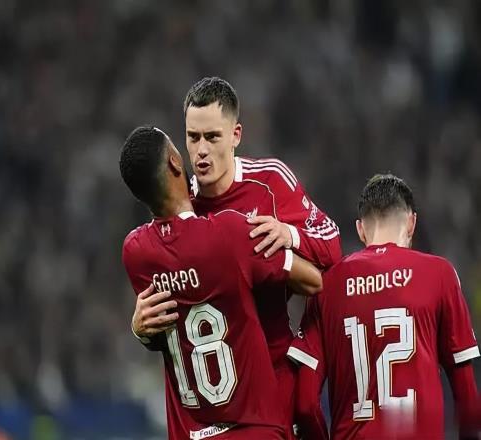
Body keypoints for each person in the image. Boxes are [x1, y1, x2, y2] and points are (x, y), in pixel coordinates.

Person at [131, 77, 341, 438]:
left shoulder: (269, 182)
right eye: (193, 137)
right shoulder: (179, 207)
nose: (201, 150)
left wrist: (290, 234)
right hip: (215, 400)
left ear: (236, 135)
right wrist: (141, 330)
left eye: (212, 137)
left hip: (274, 376)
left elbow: (332, 247)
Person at [288, 174, 480, 439]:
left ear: (360, 229)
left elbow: (306, 404)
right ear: (411, 223)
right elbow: (467, 397)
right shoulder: (440, 275)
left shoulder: (327, 284)